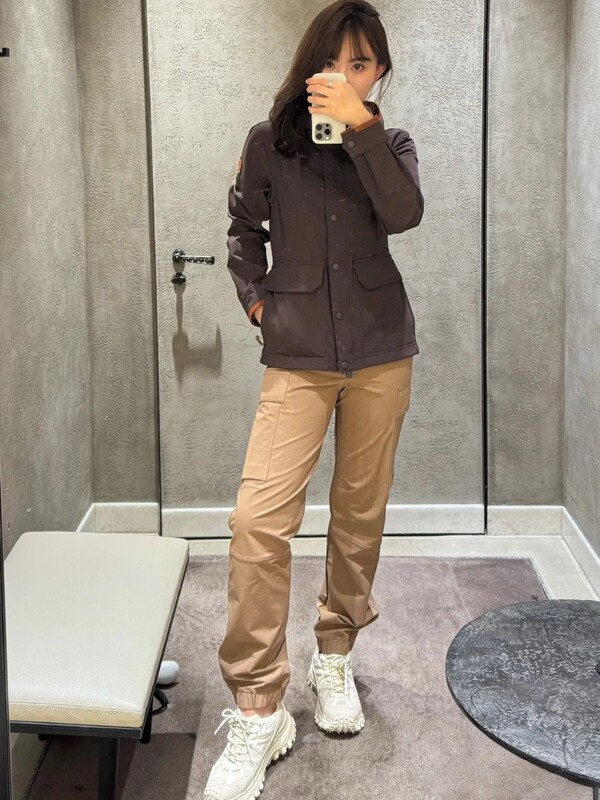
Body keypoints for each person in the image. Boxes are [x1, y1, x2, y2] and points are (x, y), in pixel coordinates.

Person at [203, 1, 424, 798]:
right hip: (297, 352)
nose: (343, 75)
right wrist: (257, 302)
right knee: (258, 520)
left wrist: (362, 130)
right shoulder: (270, 141)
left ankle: (336, 657)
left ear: (379, 72)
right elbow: (242, 228)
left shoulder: (392, 145)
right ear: (307, 66)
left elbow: (404, 215)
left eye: (360, 64)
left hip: (381, 351)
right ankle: (259, 707)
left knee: (360, 513)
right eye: (331, 61)